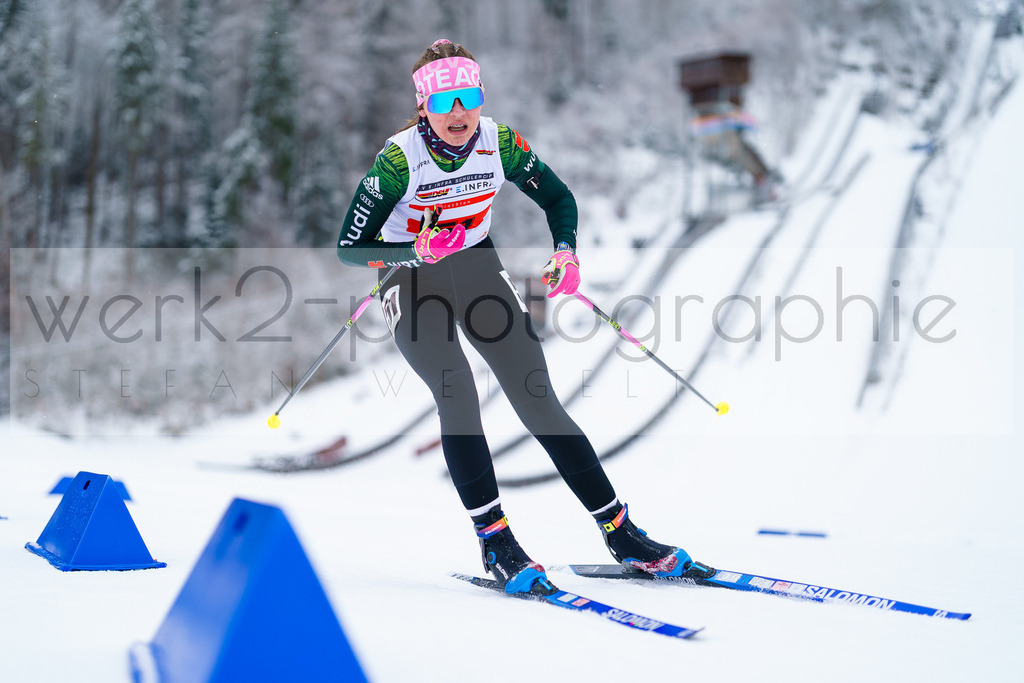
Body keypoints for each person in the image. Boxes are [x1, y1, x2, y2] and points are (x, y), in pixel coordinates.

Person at [336, 39, 712, 594]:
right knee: (456, 389)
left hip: (477, 271)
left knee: (537, 395)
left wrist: (566, 252)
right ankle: (497, 541)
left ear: (480, 98)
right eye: (443, 103)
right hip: (409, 281)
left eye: (468, 98)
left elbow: (560, 200)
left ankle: (621, 532)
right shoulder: (398, 160)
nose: (458, 113)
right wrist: (413, 252)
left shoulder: (499, 142)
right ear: (423, 108)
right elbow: (349, 245)